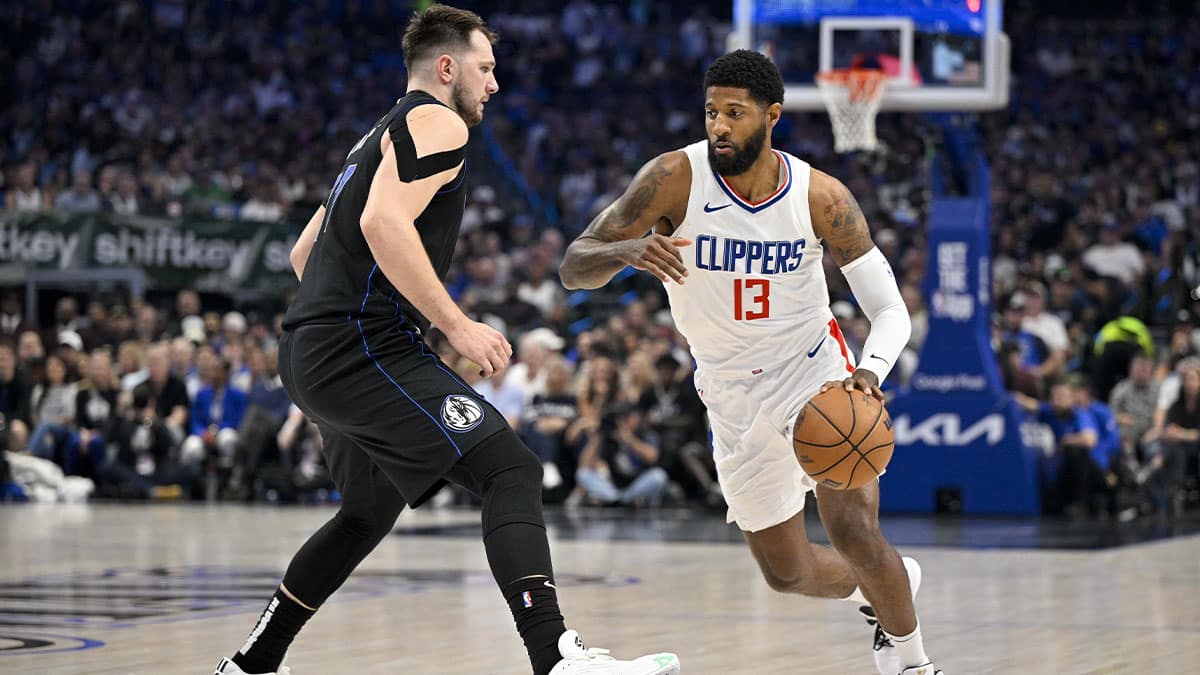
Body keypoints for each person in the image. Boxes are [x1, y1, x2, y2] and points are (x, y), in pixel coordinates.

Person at [214, 6, 678, 675]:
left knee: (366, 511)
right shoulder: (438, 120)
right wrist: (455, 324)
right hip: (361, 345)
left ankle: (254, 663)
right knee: (511, 469)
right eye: (486, 68)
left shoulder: (370, 139)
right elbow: (381, 222)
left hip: (310, 348)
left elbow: (304, 252)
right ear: (447, 66)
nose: (494, 83)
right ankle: (556, 658)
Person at [560, 49, 938, 675]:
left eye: (734, 113)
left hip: (813, 373)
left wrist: (869, 373)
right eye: (711, 112)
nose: (718, 126)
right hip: (728, 391)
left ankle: (915, 663)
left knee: (853, 529)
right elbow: (575, 265)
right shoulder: (672, 179)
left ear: (772, 116)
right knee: (786, 575)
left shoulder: (822, 197)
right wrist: (628, 249)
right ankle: (890, 584)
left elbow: (890, 309)